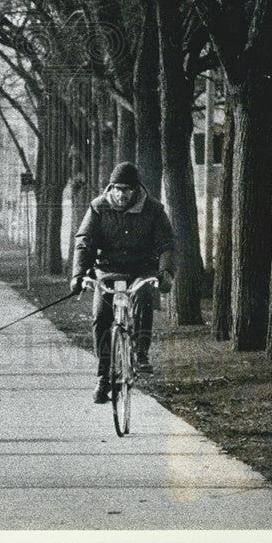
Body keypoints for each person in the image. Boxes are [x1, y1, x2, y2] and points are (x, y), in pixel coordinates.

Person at [70, 161, 176, 403]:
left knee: (143, 297)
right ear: (111, 187)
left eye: (127, 189)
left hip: (141, 269)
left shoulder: (154, 210)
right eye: (117, 188)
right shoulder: (98, 207)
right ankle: (103, 375)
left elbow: (166, 245)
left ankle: (141, 353)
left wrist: (166, 272)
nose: (121, 194)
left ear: (136, 189)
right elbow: (84, 241)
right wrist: (79, 274)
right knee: (101, 316)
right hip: (108, 270)